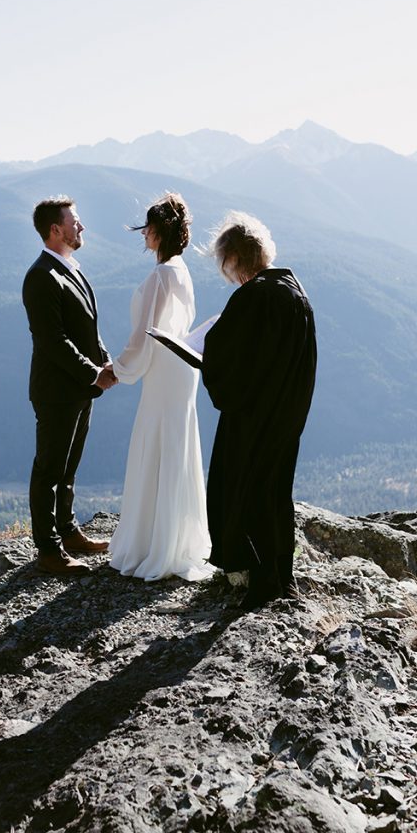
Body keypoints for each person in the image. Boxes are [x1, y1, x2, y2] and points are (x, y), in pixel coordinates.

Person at [201, 211, 317, 608]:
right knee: (275, 493)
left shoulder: (253, 297)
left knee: (244, 493)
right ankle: (282, 577)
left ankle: (262, 583)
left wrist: (206, 351)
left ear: (233, 260)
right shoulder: (293, 290)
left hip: (254, 418)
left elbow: (226, 358)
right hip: (286, 416)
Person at [108, 193, 213, 581]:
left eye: (147, 228)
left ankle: (151, 544)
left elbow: (143, 336)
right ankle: (172, 539)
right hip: (182, 367)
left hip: (164, 366)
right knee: (175, 445)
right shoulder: (181, 270)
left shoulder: (160, 275)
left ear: (154, 232)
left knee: (156, 442)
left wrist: (117, 370)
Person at [22, 195, 117, 576]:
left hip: (80, 388)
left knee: (69, 467)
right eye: (74, 221)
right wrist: (93, 373)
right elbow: (53, 340)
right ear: (55, 229)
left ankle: (68, 530)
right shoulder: (41, 277)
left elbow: (86, 330)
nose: (82, 227)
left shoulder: (70, 269)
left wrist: (105, 360)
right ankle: (48, 550)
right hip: (57, 390)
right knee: (49, 468)